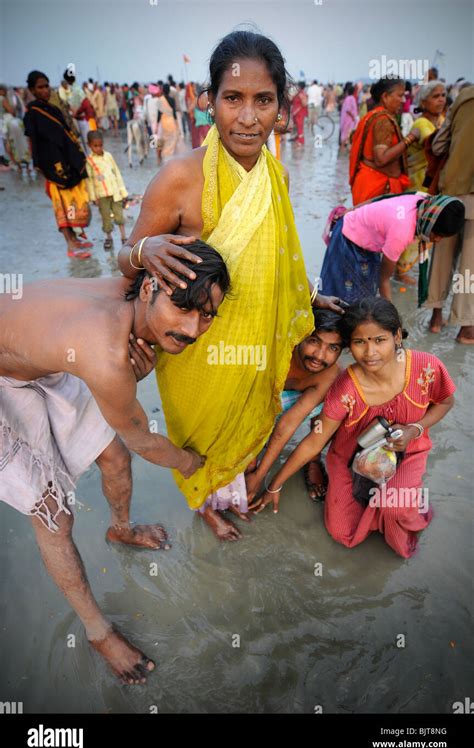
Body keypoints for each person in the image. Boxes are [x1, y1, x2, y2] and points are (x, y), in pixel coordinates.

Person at [117, 30, 343, 541]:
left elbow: (281, 258)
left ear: (281, 108)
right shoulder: (179, 176)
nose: (248, 117)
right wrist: (142, 252)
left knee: (247, 425)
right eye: (233, 99)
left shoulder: (277, 177)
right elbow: (125, 270)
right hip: (194, 350)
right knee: (200, 438)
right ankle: (205, 503)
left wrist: (308, 297)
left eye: (263, 100)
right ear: (208, 102)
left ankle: (234, 489)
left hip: (255, 342)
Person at [0, 241, 230, 683]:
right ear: (149, 290)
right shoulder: (106, 355)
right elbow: (144, 440)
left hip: (37, 355)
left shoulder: (131, 284)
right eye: (183, 307)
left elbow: (130, 259)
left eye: (207, 314)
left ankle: (120, 529)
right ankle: (97, 632)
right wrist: (192, 462)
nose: (193, 327)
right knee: (52, 514)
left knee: (113, 455)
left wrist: (141, 250)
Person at [253, 298, 456, 560]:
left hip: (407, 454)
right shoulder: (345, 387)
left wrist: (415, 429)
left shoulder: (426, 368)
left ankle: (403, 500)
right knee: (342, 533)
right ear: (350, 346)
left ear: (396, 336)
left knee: (396, 510)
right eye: (360, 342)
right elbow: (315, 441)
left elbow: (446, 402)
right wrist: (274, 485)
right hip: (351, 460)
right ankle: (379, 500)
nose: (370, 352)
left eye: (379, 340)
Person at [246, 308, 345, 504]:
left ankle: (313, 460)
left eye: (332, 348)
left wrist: (261, 477)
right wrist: (251, 460)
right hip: (256, 406)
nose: (320, 355)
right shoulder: (277, 352)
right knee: (245, 462)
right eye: (314, 341)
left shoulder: (330, 373)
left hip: (292, 407)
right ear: (300, 336)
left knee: (336, 398)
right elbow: (249, 407)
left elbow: (288, 424)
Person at [319, 193, 465, 302]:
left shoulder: (422, 200)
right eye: (437, 234)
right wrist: (391, 319)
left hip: (365, 236)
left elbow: (383, 197)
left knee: (364, 294)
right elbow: (384, 279)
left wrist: (354, 209)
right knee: (340, 297)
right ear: (430, 223)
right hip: (348, 239)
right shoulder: (401, 232)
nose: (438, 240)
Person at [23, 70, 93, 259]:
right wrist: (41, 166)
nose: (45, 90)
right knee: (60, 205)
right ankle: (70, 245)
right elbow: (34, 142)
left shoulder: (52, 109)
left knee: (71, 202)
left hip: (66, 163)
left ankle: (75, 238)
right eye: (40, 87)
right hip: (52, 167)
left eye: (47, 86)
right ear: (31, 90)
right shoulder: (32, 114)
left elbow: (65, 135)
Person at [426, 84, 474, 344]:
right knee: (470, 266)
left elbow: (438, 145)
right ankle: (466, 328)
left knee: (442, 255)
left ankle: (436, 317)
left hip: (451, 190)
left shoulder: (464, 96)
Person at [396, 81, 447, 282]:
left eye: (443, 95)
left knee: (428, 228)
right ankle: (400, 270)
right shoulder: (421, 124)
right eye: (436, 96)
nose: (441, 99)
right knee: (414, 228)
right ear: (423, 102)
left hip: (433, 186)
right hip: (417, 186)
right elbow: (436, 147)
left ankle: (410, 267)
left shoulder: (442, 121)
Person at [349, 78, 420, 205]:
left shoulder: (373, 115)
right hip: (378, 187)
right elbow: (381, 158)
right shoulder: (383, 120)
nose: (403, 100)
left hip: (370, 183)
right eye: (400, 95)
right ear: (385, 96)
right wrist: (410, 138)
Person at [86, 130, 128, 249]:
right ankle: (108, 238)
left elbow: (116, 173)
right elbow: (89, 180)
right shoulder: (89, 161)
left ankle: (123, 236)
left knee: (119, 215)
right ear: (89, 145)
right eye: (95, 146)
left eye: (100, 145)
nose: (98, 148)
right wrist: (93, 197)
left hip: (115, 192)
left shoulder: (108, 156)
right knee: (105, 218)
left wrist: (123, 191)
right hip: (102, 195)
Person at [156, 83, 178, 161]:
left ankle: (164, 157)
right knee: (172, 140)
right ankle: (170, 157)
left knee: (163, 140)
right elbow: (174, 113)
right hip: (171, 121)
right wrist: (176, 123)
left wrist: (157, 125)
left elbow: (159, 114)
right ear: (169, 91)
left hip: (164, 122)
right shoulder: (172, 100)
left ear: (163, 90)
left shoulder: (160, 100)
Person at [339, 84, 359, 150]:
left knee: (347, 133)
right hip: (348, 119)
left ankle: (344, 148)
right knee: (346, 133)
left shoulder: (348, 98)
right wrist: (353, 116)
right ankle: (342, 147)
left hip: (348, 119)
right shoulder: (351, 98)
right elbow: (348, 109)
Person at [290, 81, 308, 145]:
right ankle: (297, 138)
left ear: (300, 87)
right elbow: (292, 101)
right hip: (295, 113)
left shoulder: (302, 94)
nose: (296, 87)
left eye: (297, 86)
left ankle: (301, 141)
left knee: (300, 127)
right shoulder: (298, 93)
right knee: (297, 127)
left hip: (299, 113)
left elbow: (305, 104)